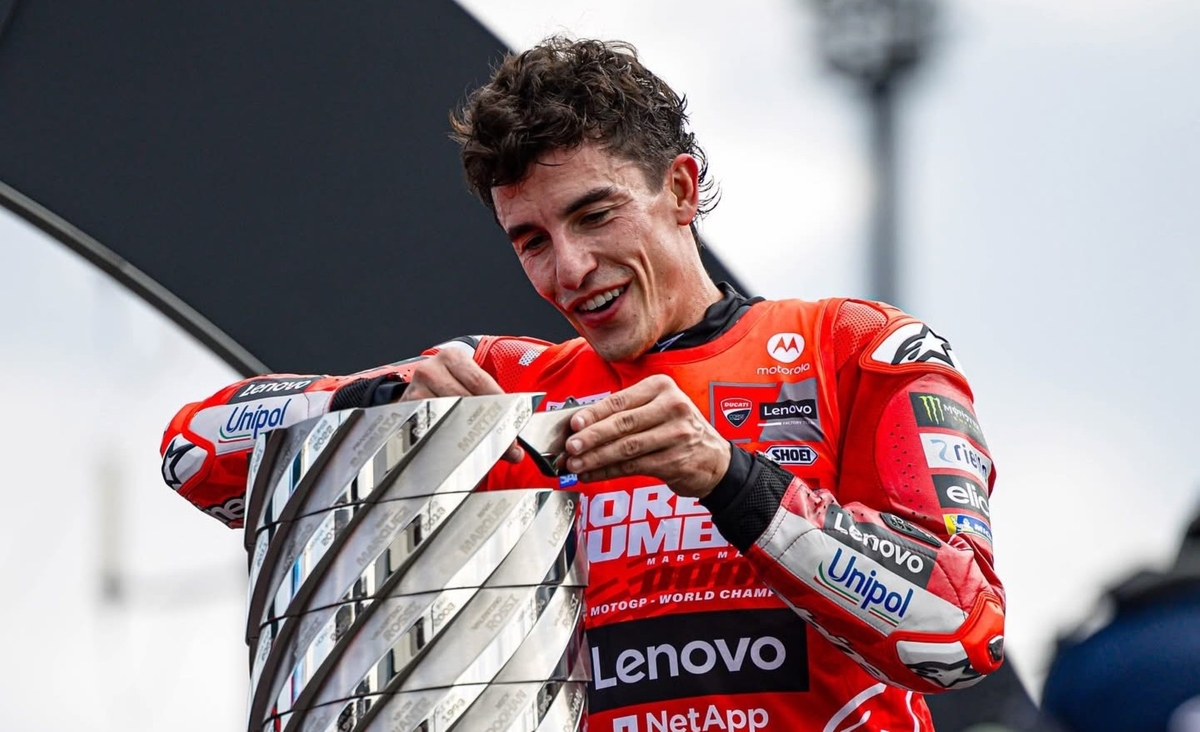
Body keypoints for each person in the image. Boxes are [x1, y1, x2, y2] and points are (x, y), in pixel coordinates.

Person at [161, 37, 1004, 731]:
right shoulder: (504, 386)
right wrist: (381, 413)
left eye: (595, 216)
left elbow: (962, 632)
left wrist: (729, 478)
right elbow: (195, 451)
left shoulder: (856, 347)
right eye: (530, 240)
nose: (569, 270)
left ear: (680, 189)